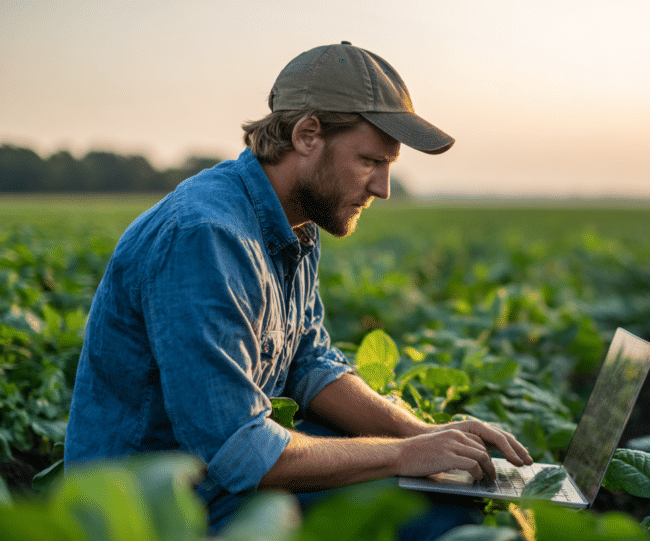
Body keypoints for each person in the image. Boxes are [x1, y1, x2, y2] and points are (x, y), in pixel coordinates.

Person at [63, 41, 532, 538]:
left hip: (221, 476)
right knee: (430, 513)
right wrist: (405, 454)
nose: (383, 188)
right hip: (152, 508)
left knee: (430, 486)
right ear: (308, 134)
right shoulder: (205, 235)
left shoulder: (296, 224)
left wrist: (422, 433)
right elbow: (238, 451)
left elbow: (310, 363)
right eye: (370, 160)